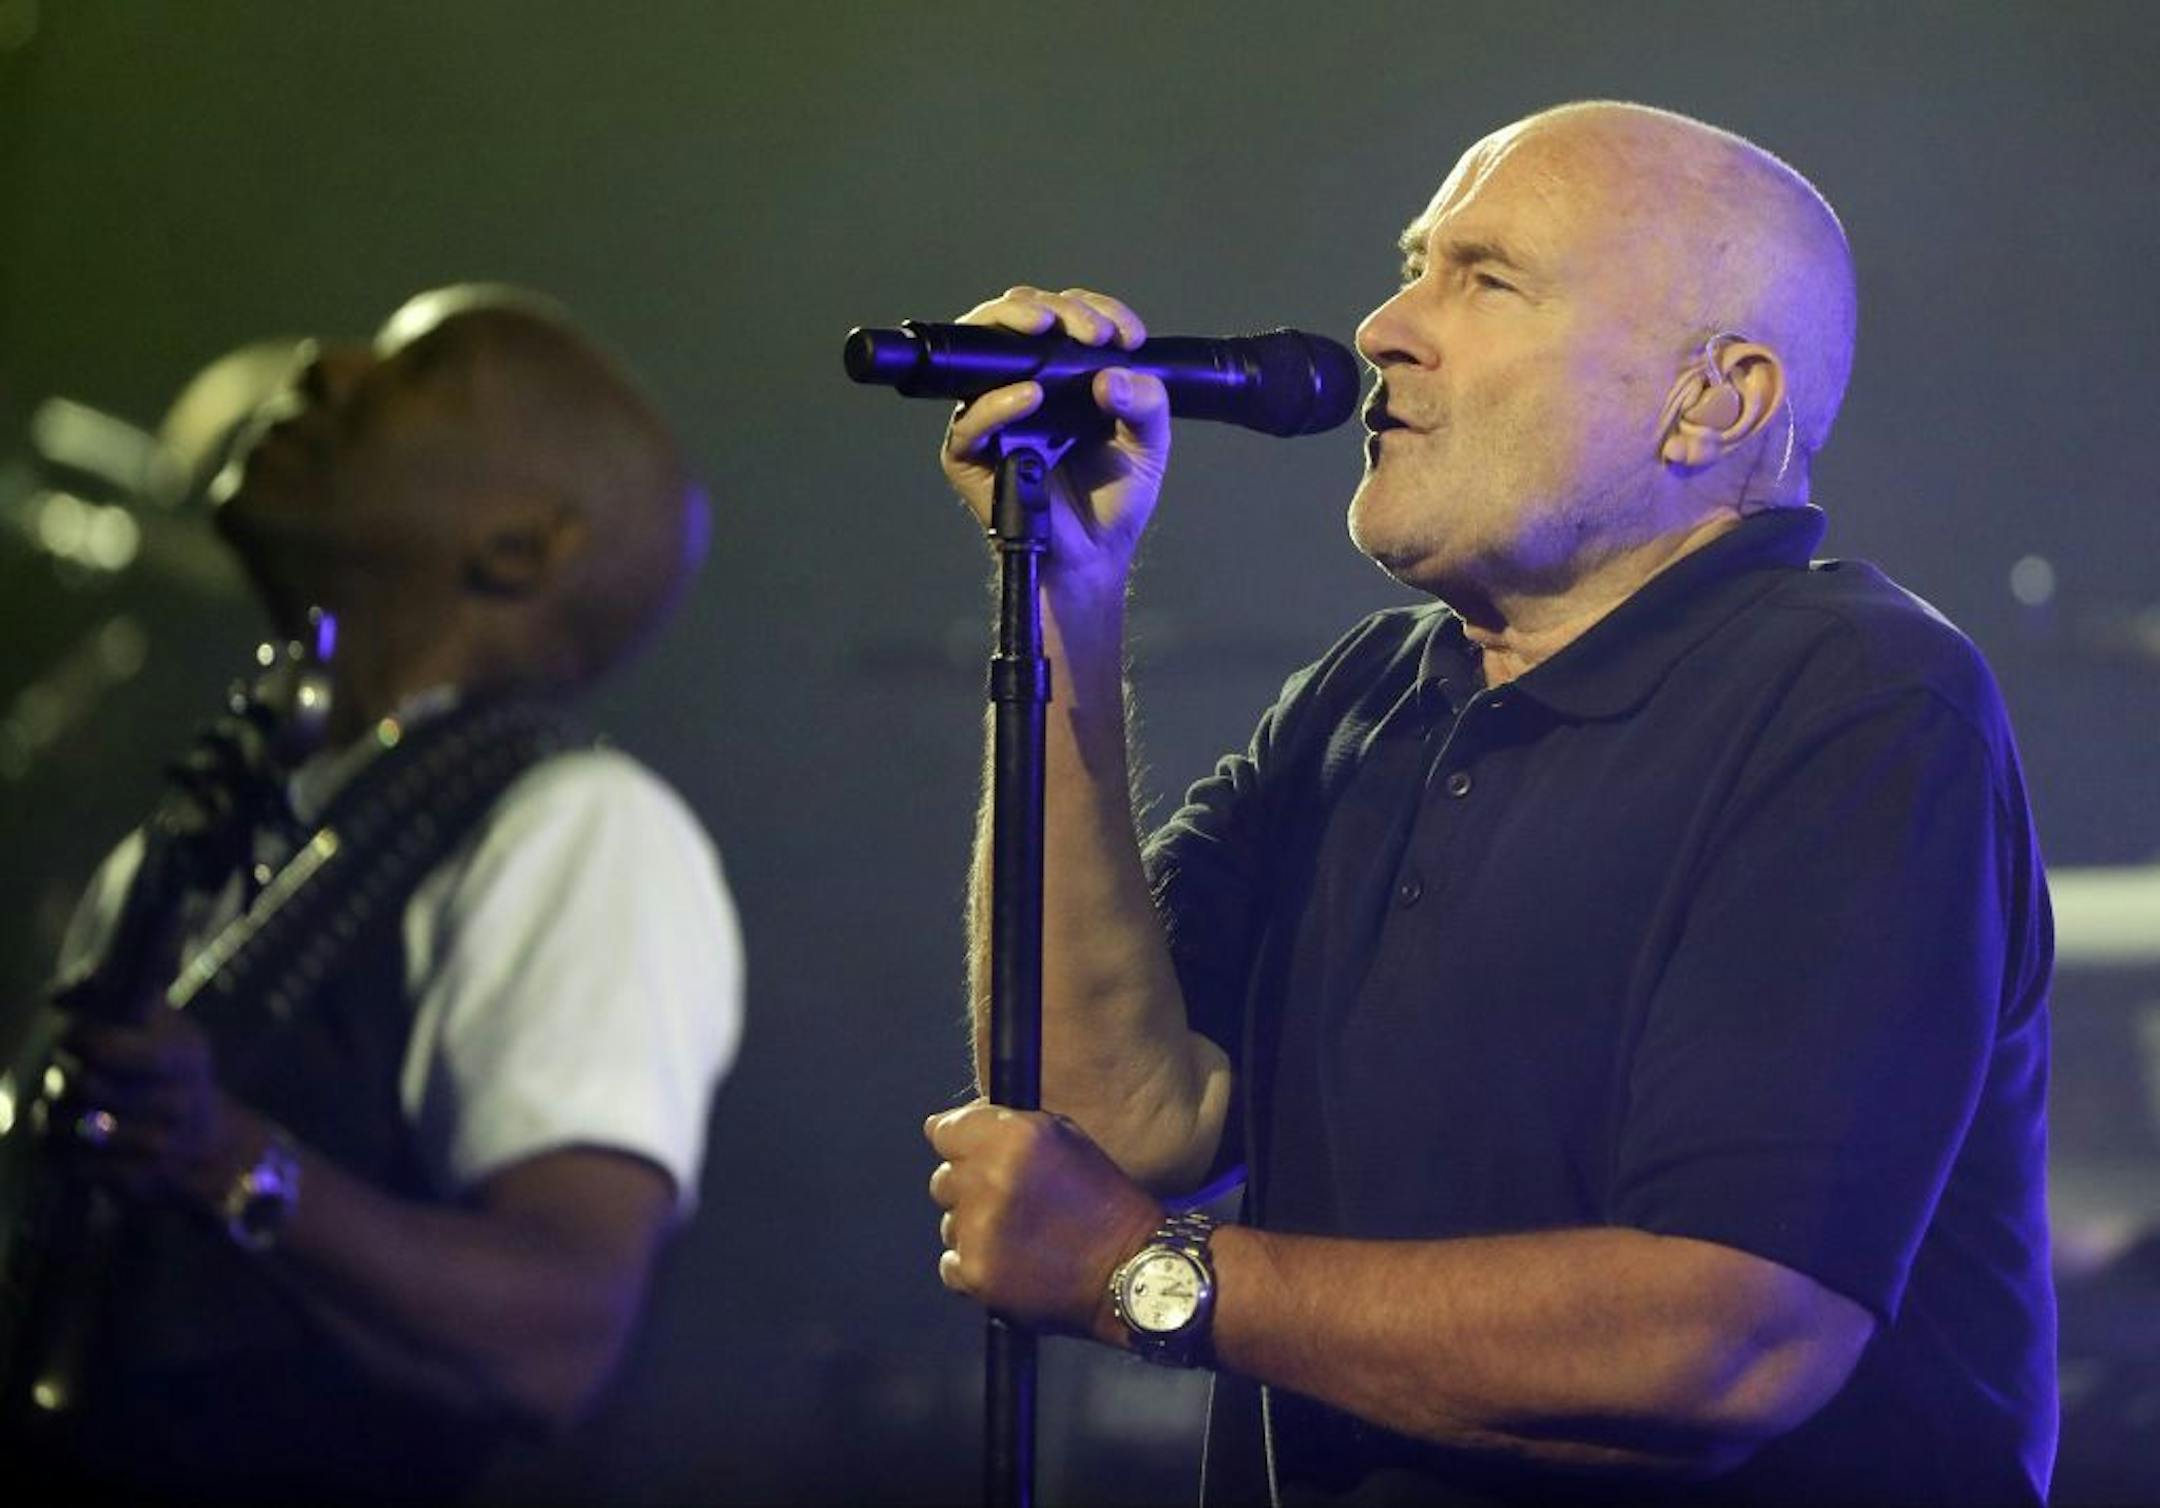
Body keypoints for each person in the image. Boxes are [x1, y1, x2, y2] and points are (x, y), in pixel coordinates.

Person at [922, 101, 2054, 1505]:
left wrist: (1146, 1275)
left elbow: (1726, 1339)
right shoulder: (1361, 702)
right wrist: (1067, 595)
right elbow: (1113, 1116)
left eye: (1488, 279)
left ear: (1714, 401)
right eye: (1415, 264)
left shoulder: (1858, 701)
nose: (1388, 325)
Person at [0, 285, 742, 1503]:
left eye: (416, 371)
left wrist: (225, 1156)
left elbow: (555, 1333)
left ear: (523, 546)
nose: (323, 366)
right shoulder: (195, 830)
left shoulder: (581, 833)